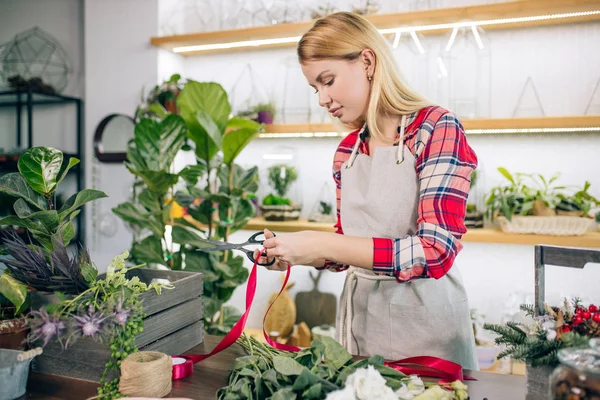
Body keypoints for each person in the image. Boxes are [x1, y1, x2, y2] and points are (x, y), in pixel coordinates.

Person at [256, 11, 479, 369]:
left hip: (427, 339)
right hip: (359, 332)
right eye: (315, 88)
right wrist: (293, 252)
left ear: (367, 61)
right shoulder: (347, 152)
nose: (322, 99)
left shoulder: (436, 128)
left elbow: (435, 250)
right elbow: (348, 246)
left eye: (327, 80)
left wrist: (319, 243)